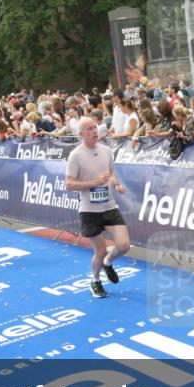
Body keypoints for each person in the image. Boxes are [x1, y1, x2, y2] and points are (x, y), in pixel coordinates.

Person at [64, 117, 131, 298]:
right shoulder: (76, 155)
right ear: (81, 134)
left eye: (95, 127)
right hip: (89, 210)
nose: (94, 131)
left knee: (124, 245)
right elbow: (69, 184)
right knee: (99, 250)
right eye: (89, 129)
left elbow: (111, 173)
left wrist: (117, 185)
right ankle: (95, 280)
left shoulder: (106, 150)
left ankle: (108, 263)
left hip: (109, 206)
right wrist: (94, 182)